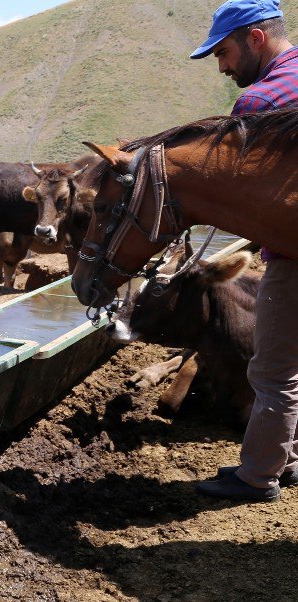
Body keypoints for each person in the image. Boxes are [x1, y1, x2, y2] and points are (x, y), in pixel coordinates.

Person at [190, 0, 298, 502]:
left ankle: (258, 476)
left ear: (256, 37)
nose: (223, 66)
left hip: (294, 256)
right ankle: (287, 457)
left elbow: (248, 197)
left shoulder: (260, 102)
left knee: (272, 370)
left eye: (226, 52)